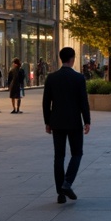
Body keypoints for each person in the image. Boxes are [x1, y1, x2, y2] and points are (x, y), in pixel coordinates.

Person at [42, 47, 90, 202]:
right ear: (72, 59)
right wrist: (87, 120)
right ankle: (67, 183)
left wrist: (47, 121)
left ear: (61, 59)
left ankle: (60, 194)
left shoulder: (51, 78)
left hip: (57, 122)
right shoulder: (79, 78)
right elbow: (83, 101)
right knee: (77, 153)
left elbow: (46, 103)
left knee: (59, 156)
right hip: (74, 122)